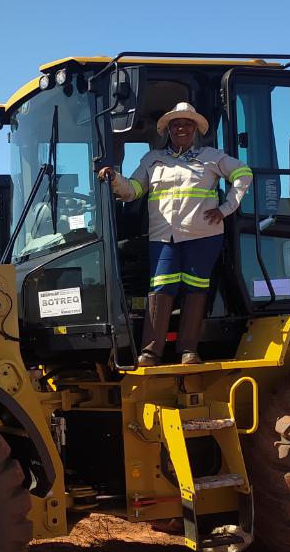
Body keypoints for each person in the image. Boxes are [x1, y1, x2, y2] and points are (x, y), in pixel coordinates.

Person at [97, 102, 253, 366]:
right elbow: (133, 190)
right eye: (176, 124)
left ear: (195, 129)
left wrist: (227, 208)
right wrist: (114, 178)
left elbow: (243, 173)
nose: (182, 128)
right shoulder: (152, 160)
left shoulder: (212, 156)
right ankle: (150, 352)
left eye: (187, 124)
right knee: (161, 288)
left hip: (203, 235)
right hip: (163, 236)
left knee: (195, 290)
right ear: (168, 129)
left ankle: (188, 351)